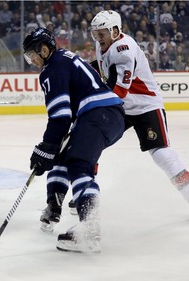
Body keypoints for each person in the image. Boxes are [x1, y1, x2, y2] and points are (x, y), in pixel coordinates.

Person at [23, 27, 125, 253]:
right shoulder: (64, 58)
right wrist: (51, 149)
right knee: (63, 156)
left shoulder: (52, 68)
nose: (31, 61)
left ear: (44, 49)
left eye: (32, 54)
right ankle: (54, 205)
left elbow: (60, 117)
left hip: (98, 115)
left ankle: (89, 229)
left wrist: (45, 148)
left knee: (79, 163)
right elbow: (65, 119)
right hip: (105, 116)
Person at [90, 11, 189, 203]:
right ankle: (87, 190)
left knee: (162, 155)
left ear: (115, 31)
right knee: (90, 141)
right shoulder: (103, 43)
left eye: (101, 33)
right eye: (95, 33)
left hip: (145, 105)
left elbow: (118, 91)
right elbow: (101, 67)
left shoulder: (124, 50)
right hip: (122, 107)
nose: (97, 38)